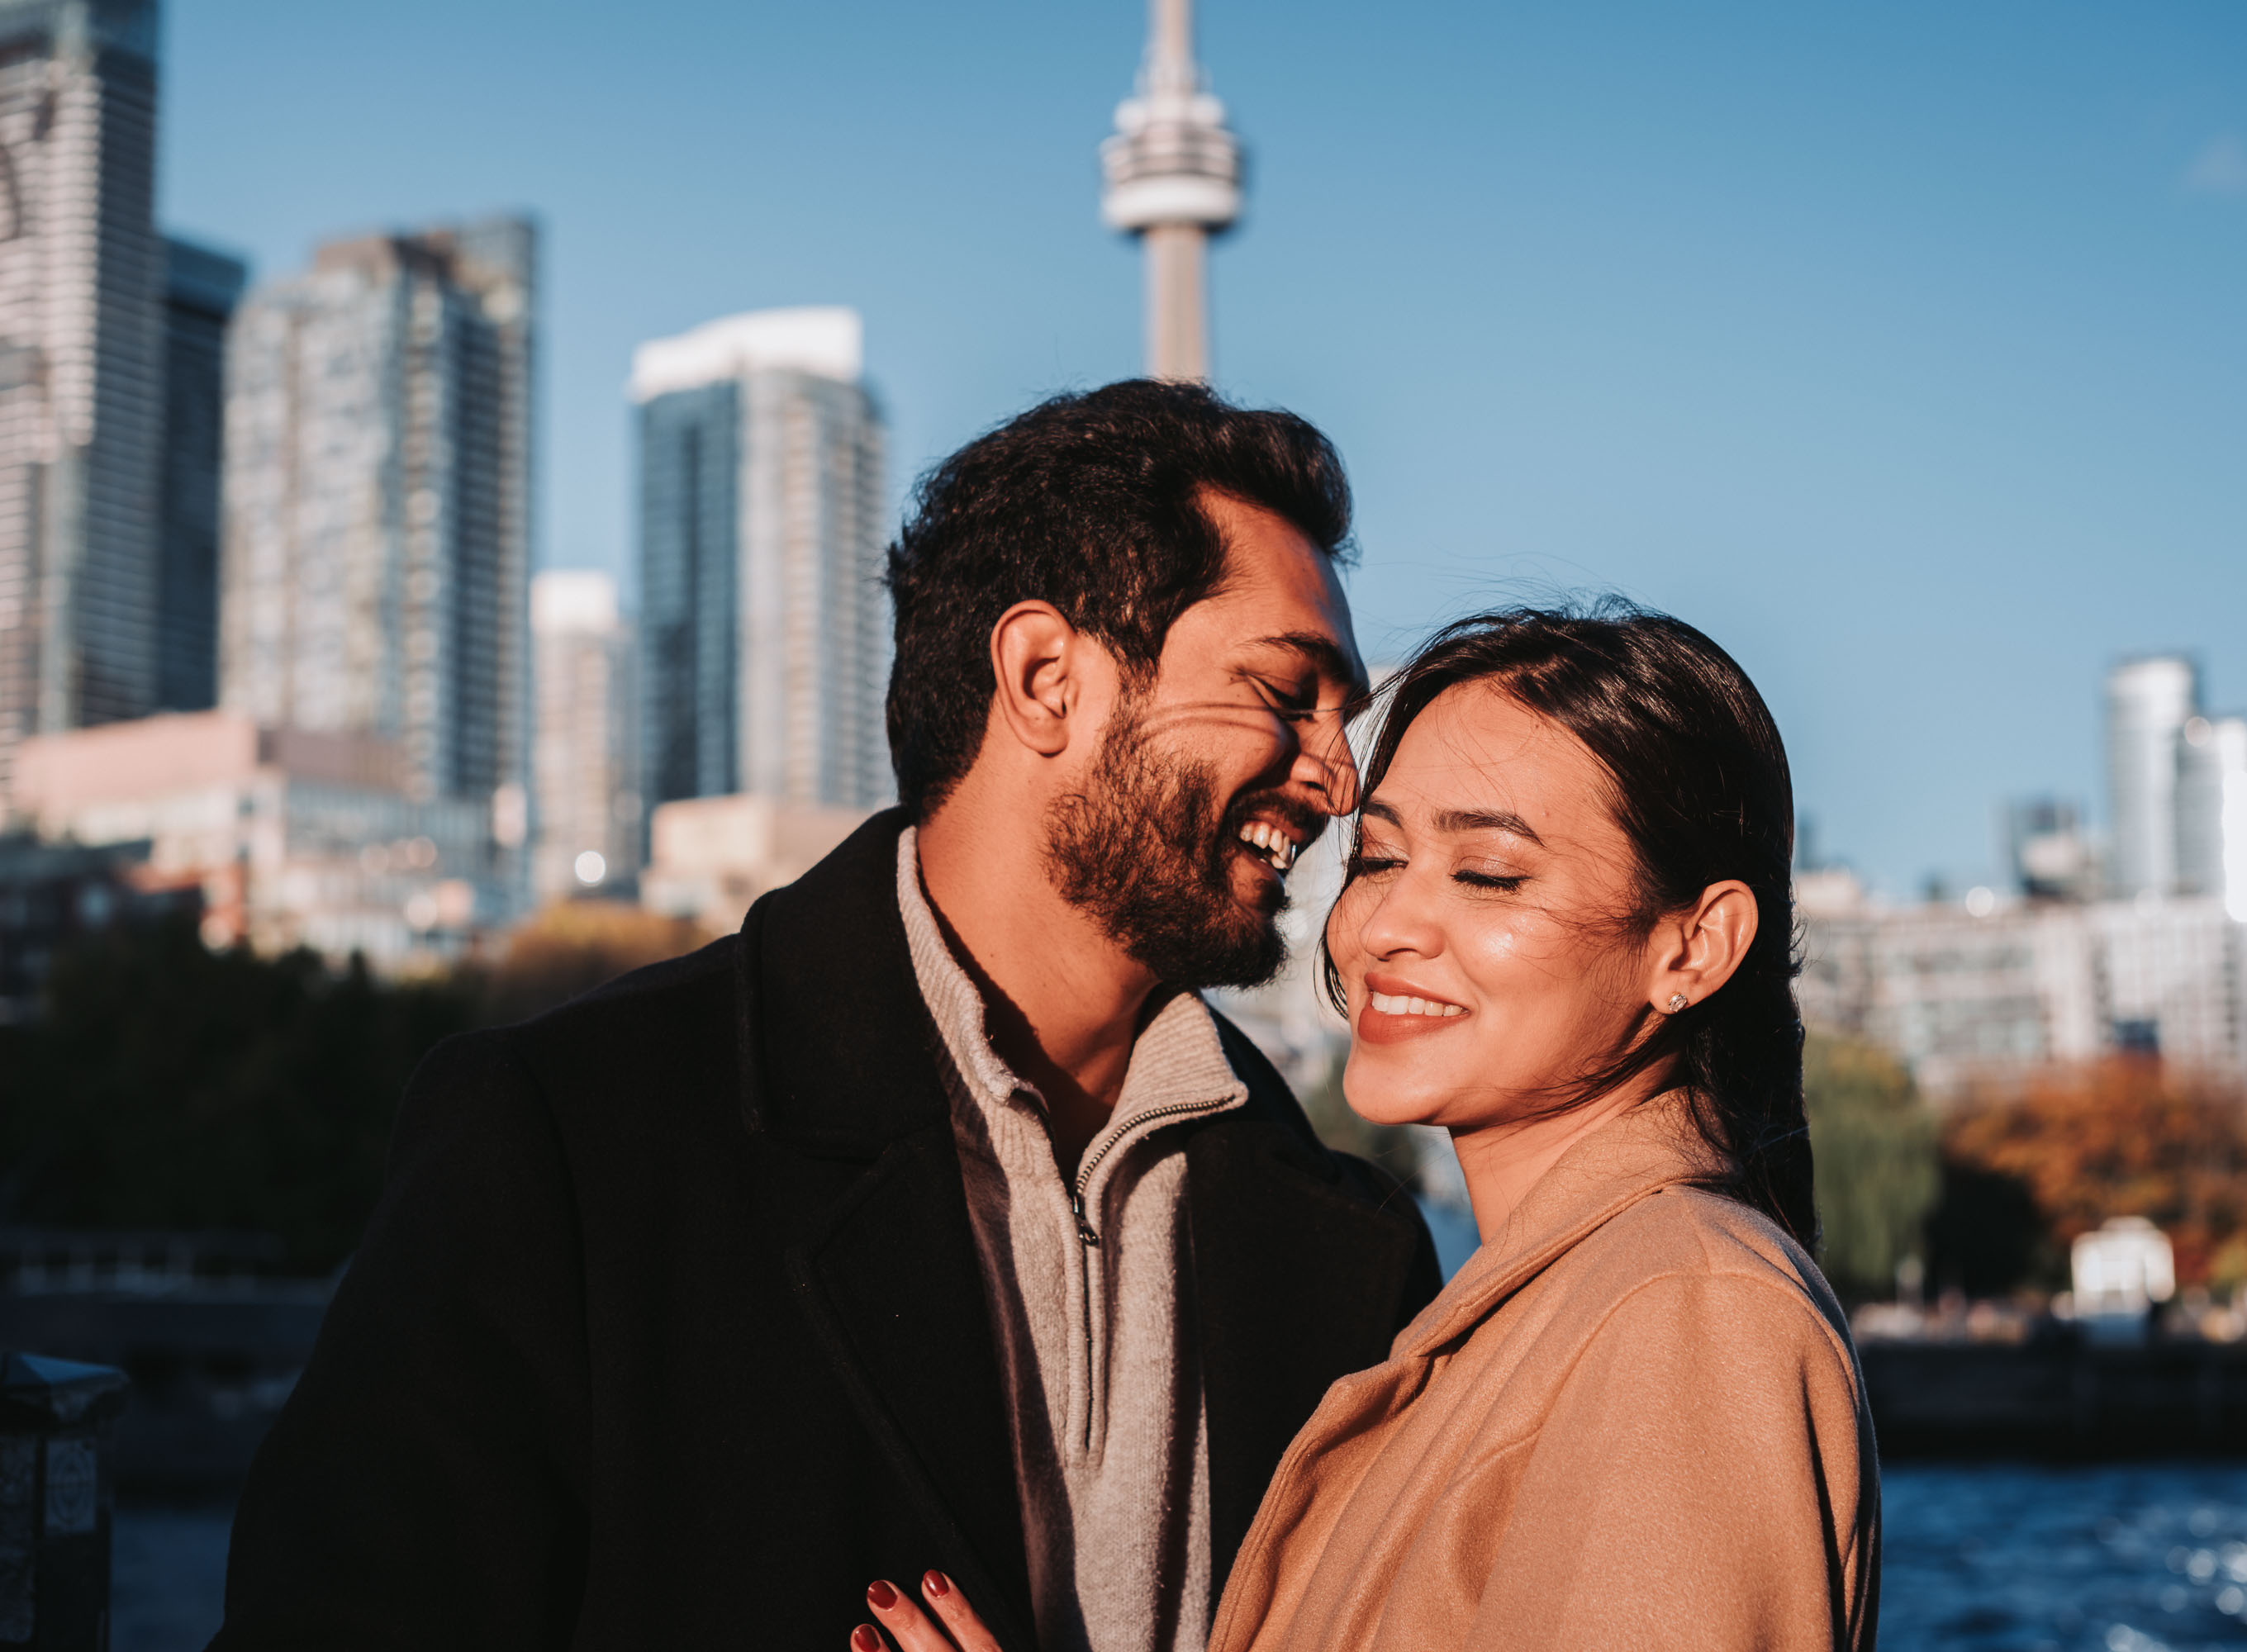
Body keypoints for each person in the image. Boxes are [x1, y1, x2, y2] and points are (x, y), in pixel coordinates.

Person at [212, 381, 1441, 1651]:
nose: (1338, 778)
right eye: (1291, 692)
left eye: (1341, 720)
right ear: (1045, 678)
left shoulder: (1352, 1253)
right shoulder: (574, 1145)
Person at [853, 604, 1878, 1652]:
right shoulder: (1537, 1314)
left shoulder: (1686, 1307)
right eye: (1379, 858)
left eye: (1487, 873)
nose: (1382, 926)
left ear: (1694, 947)